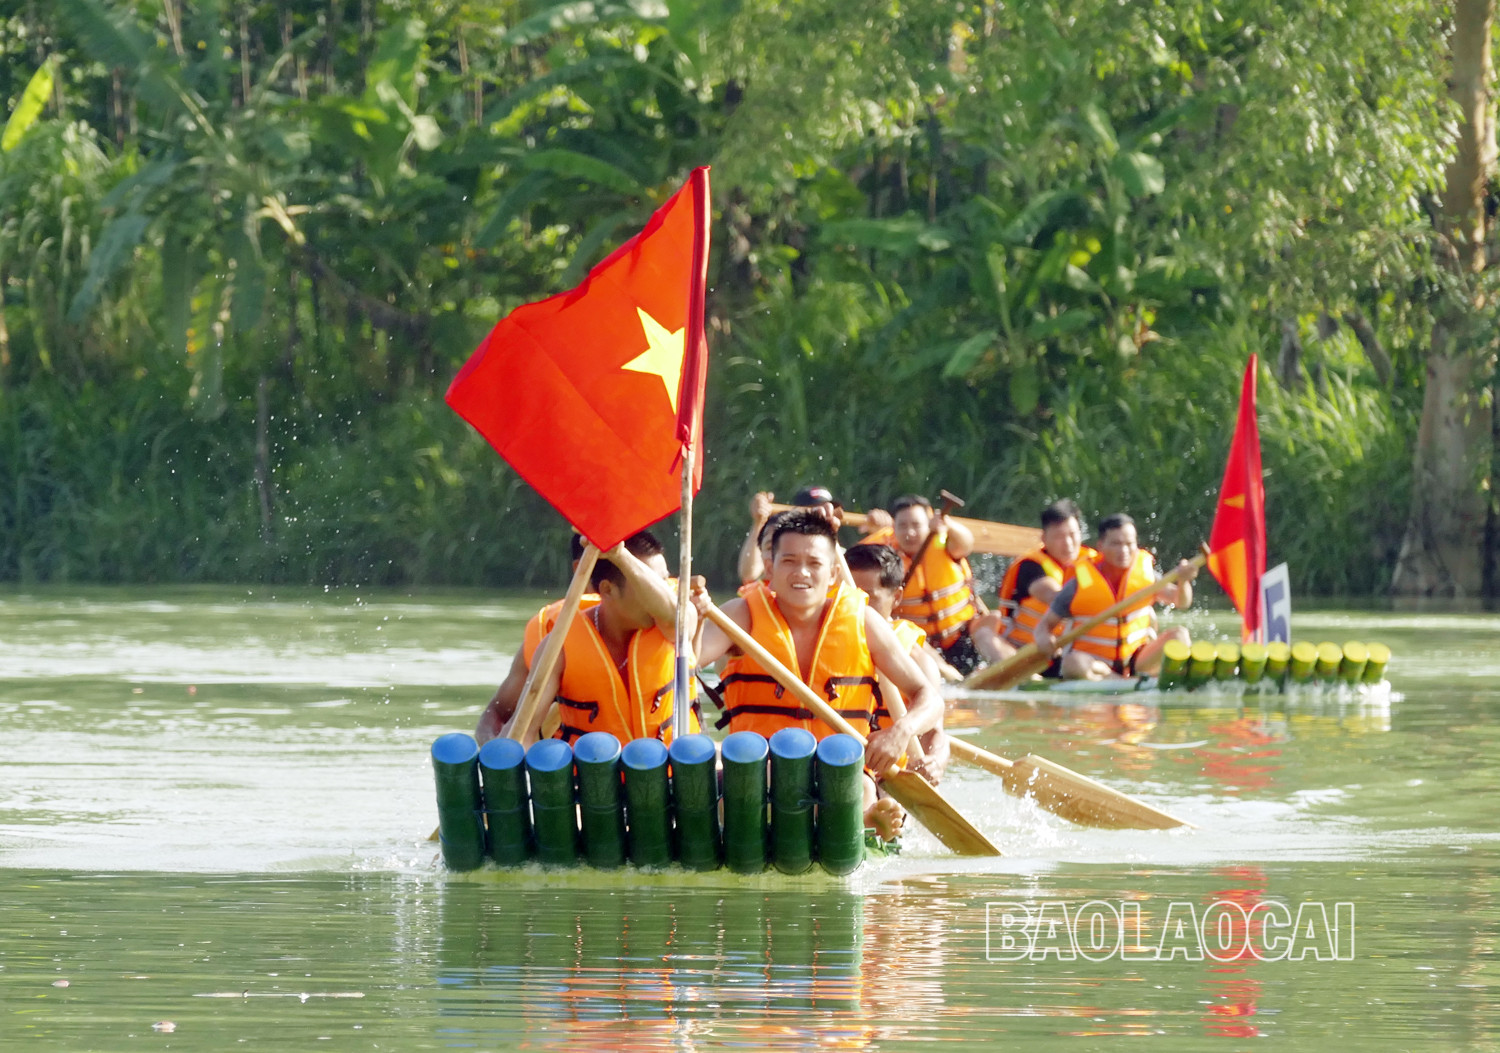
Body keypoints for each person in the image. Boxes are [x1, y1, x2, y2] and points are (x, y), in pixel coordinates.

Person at [692, 509, 944, 840]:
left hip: (840, 772)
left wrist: (900, 732)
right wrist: (695, 620)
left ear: (834, 572)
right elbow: (687, 661)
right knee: (759, 778)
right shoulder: (741, 615)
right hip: (758, 771)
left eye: (814, 563)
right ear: (770, 567)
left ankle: (864, 819)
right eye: (789, 561)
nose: (802, 573)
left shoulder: (864, 622)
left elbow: (929, 699)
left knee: (857, 784)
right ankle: (855, 821)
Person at [480, 531, 699, 745]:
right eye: (648, 585)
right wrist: (502, 761)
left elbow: (674, 621)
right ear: (607, 589)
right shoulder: (559, 646)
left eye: (663, 582)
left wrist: (618, 554)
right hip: (595, 774)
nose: (663, 593)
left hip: (674, 774)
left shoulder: (680, 616)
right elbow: (522, 731)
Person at [1034, 513, 1198, 680]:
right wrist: (1044, 639)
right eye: (1116, 544)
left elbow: (1181, 602)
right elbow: (1044, 626)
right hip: (1093, 663)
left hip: (1137, 660)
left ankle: (1164, 677)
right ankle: (1115, 678)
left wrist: (1183, 581)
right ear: (1101, 546)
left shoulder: (1148, 577)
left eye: (1129, 544)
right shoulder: (1078, 584)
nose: (1124, 551)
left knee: (1180, 636)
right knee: (1072, 664)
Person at [475, 533, 599, 744]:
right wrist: (496, 752)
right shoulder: (549, 635)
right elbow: (496, 714)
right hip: (556, 766)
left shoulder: (661, 631)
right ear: (581, 568)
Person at [843, 543, 950, 784]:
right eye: (850, 596)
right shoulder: (820, 643)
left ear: (897, 597)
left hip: (887, 780)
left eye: (868, 598)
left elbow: (936, 732)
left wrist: (935, 761)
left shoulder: (917, 660)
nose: (858, 609)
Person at [971, 499, 1096, 671]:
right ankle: (1021, 675)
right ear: (1044, 538)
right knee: (984, 632)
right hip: (1022, 651)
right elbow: (1053, 596)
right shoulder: (1030, 567)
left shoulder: (1092, 563)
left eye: (1072, 534)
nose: (1068, 543)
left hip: (1067, 653)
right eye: (1059, 536)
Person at [889, 495, 983, 675]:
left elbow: (967, 544)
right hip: (924, 645)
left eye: (916, 525)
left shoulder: (946, 544)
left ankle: (1012, 671)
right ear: (894, 528)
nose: (910, 533)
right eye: (902, 526)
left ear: (929, 524)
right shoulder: (886, 558)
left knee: (989, 622)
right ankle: (949, 676)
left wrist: (947, 524)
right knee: (911, 638)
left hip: (962, 633)